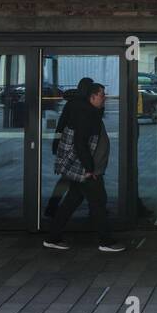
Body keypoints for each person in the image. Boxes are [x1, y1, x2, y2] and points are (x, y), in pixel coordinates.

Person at [43, 82, 125, 253]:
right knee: (98, 203)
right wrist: (89, 169)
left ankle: (52, 237)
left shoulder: (89, 111)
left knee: (71, 202)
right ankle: (106, 241)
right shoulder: (85, 113)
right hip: (87, 171)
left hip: (87, 169)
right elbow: (81, 143)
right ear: (92, 96)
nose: (105, 98)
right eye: (102, 95)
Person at [44, 77, 94, 219]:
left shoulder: (71, 103)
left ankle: (52, 208)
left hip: (67, 145)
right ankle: (93, 209)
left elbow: (61, 124)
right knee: (80, 179)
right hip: (75, 147)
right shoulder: (82, 104)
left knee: (68, 180)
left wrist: (56, 143)